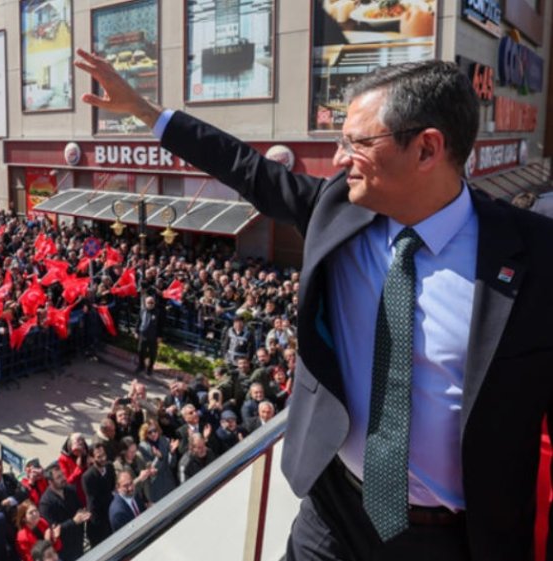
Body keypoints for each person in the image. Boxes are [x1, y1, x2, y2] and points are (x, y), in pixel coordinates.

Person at [74, 48, 553, 560]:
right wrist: (147, 112)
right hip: (334, 510)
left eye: (358, 143)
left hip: (451, 538)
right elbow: (246, 168)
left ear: (427, 149)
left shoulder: (536, 257)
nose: (341, 159)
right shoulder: (338, 209)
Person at [38, 464, 90, 561]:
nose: (63, 478)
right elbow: (54, 531)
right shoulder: (45, 504)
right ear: (50, 482)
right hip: (64, 550)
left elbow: (79, 508)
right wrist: (73, 521)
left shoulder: (70, 490)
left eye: (62, 475)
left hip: (78, 541)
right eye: (58, 477)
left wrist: (83, 514)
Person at [81, 442, 116, 547]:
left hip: (111, 513)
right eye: (99, 457)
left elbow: (112, 487)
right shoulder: (88, 477)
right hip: (100, 522)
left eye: (104, 455)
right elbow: (93, 503)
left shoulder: (109, 467)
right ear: (91, 458)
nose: (103, 458)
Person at [135, 420, 178, 503]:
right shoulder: (142, 448)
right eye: (149, 432)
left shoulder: (165, 441)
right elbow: (151, 470)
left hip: (169, 482)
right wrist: (159, 458)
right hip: (156, 486)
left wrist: (172, 453)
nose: (153, 434)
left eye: (155, 430)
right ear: (145, 434)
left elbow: (172, 464)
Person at [0, 455, 30, 523]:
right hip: (7, 523)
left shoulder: (9, 477)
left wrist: (12, 500)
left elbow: (24, 491)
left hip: (22, 516)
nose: (0, 467)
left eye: (0, 464)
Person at [135, 295, 161, 375]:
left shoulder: (158, 312)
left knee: (152, 353)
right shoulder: (142, 311)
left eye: (152, 302)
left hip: (153, 336)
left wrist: (159, 336)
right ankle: (141, 366)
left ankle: (150, 368)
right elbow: (138, 321)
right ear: (145, 303)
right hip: (143, 335)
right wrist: (136, 331)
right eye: (148, 302)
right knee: (140, 351)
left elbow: (161, 325)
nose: (150, 304)